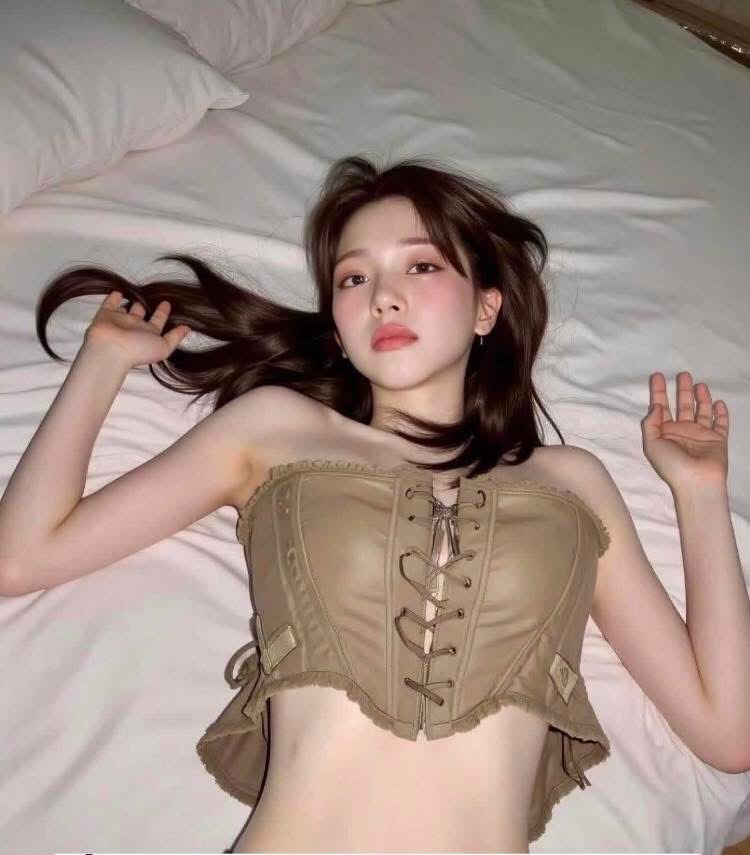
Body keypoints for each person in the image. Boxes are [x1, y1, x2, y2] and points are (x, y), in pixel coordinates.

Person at [0, 155, 739, 853]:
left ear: (487, 308)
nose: (383, 295)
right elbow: (23, 556)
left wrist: (701, 493)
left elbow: (729, 733)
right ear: (340, 325)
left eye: (421, 265)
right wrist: (103, 361)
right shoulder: (274, 430)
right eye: (354, 278)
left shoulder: (572, 483)